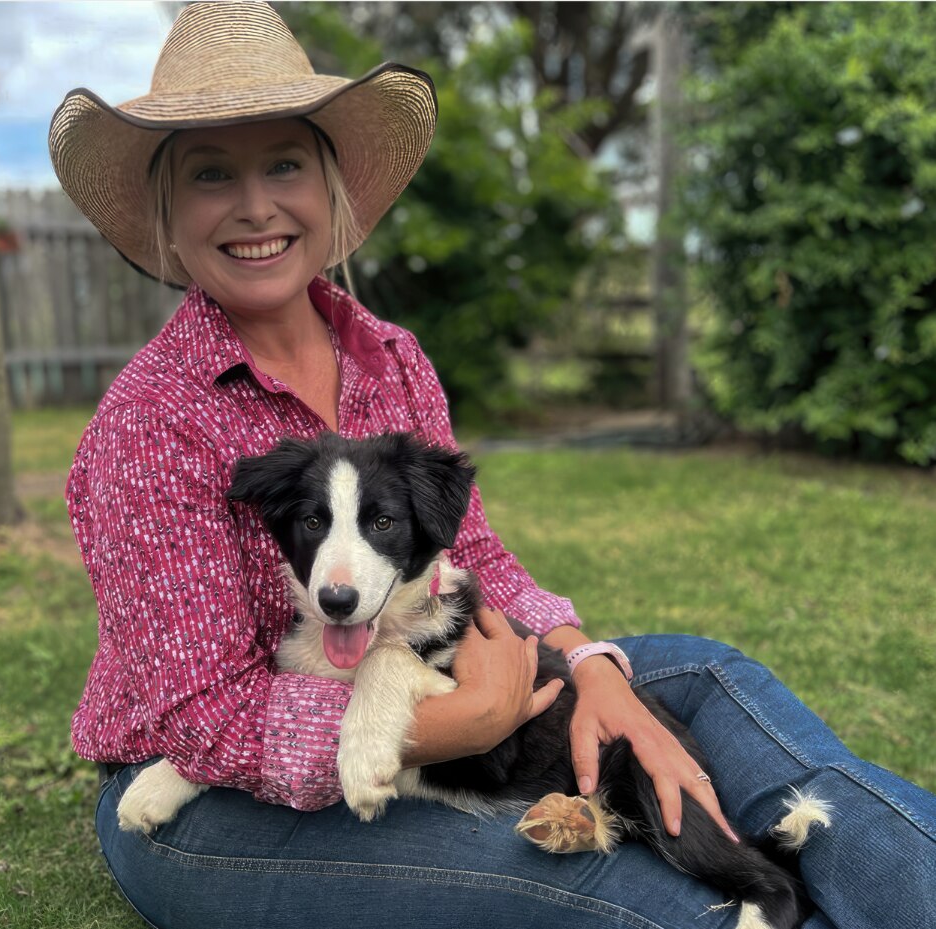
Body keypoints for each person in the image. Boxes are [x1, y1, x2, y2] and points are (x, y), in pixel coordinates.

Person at [50, 4, 936, 928]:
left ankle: (887, 878)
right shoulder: (149, 421)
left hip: (437, 694)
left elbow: (470, 552)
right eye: (209, 173)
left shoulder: (391, 358)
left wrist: (589, 668)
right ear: (167, 210)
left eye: (283, 164)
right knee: (627, 891)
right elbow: (206, 722)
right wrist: (462, 722)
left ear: (329, 183)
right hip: (208, 801)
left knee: (705, 679)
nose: (255, 205)